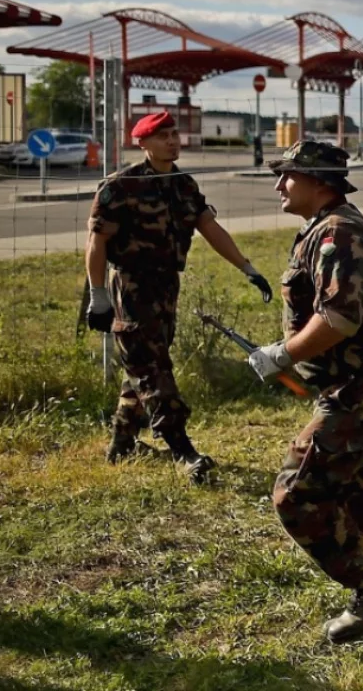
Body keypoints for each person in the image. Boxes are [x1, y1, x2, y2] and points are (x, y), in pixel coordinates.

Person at [247, 141, 363, 643]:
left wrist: (284, 354)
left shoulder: (338, 232)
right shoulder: (324, 228)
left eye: (288, 176)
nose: (279, 185)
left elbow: (340, 316)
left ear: (318, 181)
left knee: (296, 493)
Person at [84, 110, 273, 483]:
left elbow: (210, 228)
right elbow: (97, 242)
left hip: (167, 286)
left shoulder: (183, 185)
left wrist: (247, 268)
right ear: (142, 143)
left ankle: (122, 442)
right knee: (152, 367)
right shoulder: (121, 185)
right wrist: (98, 296)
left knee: (143, 364)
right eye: (162, 135)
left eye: (174, 134)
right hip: (131, 286)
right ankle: (182, 448)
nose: (172, 140)